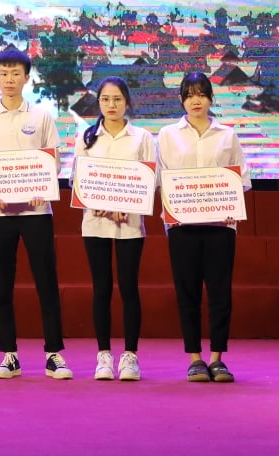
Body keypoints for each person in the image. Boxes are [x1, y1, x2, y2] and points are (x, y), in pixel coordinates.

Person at [0, 48, 71, 380]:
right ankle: (9, 355)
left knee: (46, 282)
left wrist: (41, 185)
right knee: (2, 284)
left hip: (37, 210)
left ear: (27, 78)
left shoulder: (41, 116)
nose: (9, 79)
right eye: (3, 74)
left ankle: (54, 354)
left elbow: (53, 162)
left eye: (15, 73)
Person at [156, 71, 250, 384]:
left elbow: (242, 179)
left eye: (201, 94)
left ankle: (218, 358)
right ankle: (195, 359)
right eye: (189, 94)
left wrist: (225, 197)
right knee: (188, 292)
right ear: (181, 99)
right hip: (181, 226)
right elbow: (160, 178)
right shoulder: (167, 135)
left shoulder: (227, 135)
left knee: (220, 292)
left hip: (221, 225)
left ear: (211, 98)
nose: (195, 100)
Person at [78, 78, 154, 382]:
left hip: (130, 223)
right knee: (101, 288)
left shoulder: (142, 137)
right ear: (98, 102)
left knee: (129, 287)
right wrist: (95, 201)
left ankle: (130, 356)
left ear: (127, 102)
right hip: (94, 222)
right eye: (106, 99)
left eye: (117, 99)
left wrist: (127, 204)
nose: (111, 105)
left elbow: (151, 180)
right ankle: (104, 356)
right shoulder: (87, 138)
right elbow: (77, 179)